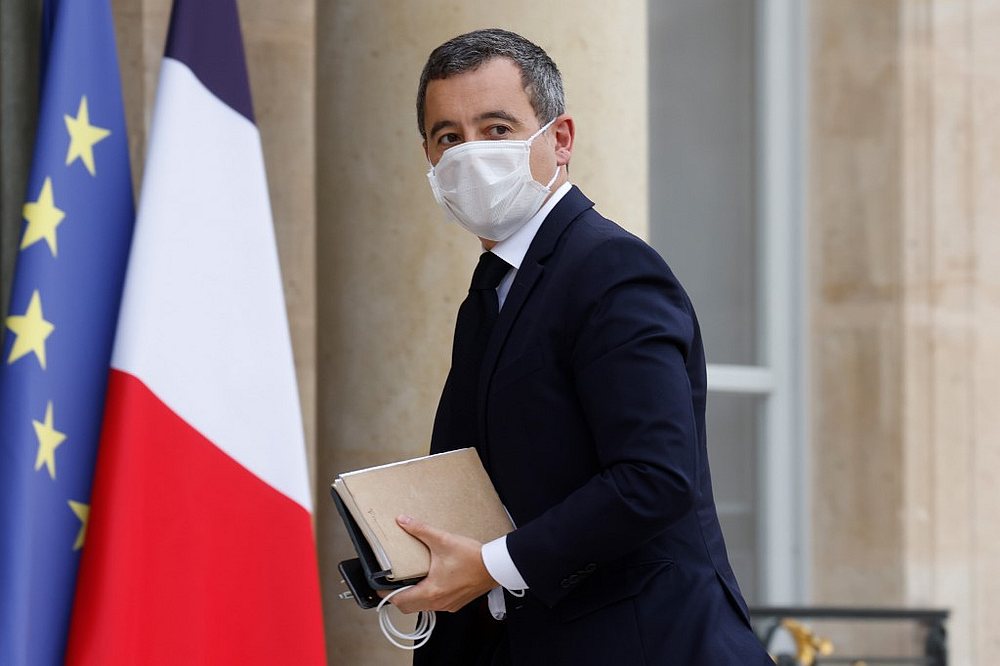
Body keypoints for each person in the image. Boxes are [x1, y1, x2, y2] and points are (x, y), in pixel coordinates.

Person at [389, 28, 773, 665]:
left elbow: (654, 477)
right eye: (448, 137)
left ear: (559, 140)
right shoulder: (494, 290)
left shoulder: (611, 270)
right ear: (428, 157)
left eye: (497, 128)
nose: (471, 154)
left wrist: (490, 565)